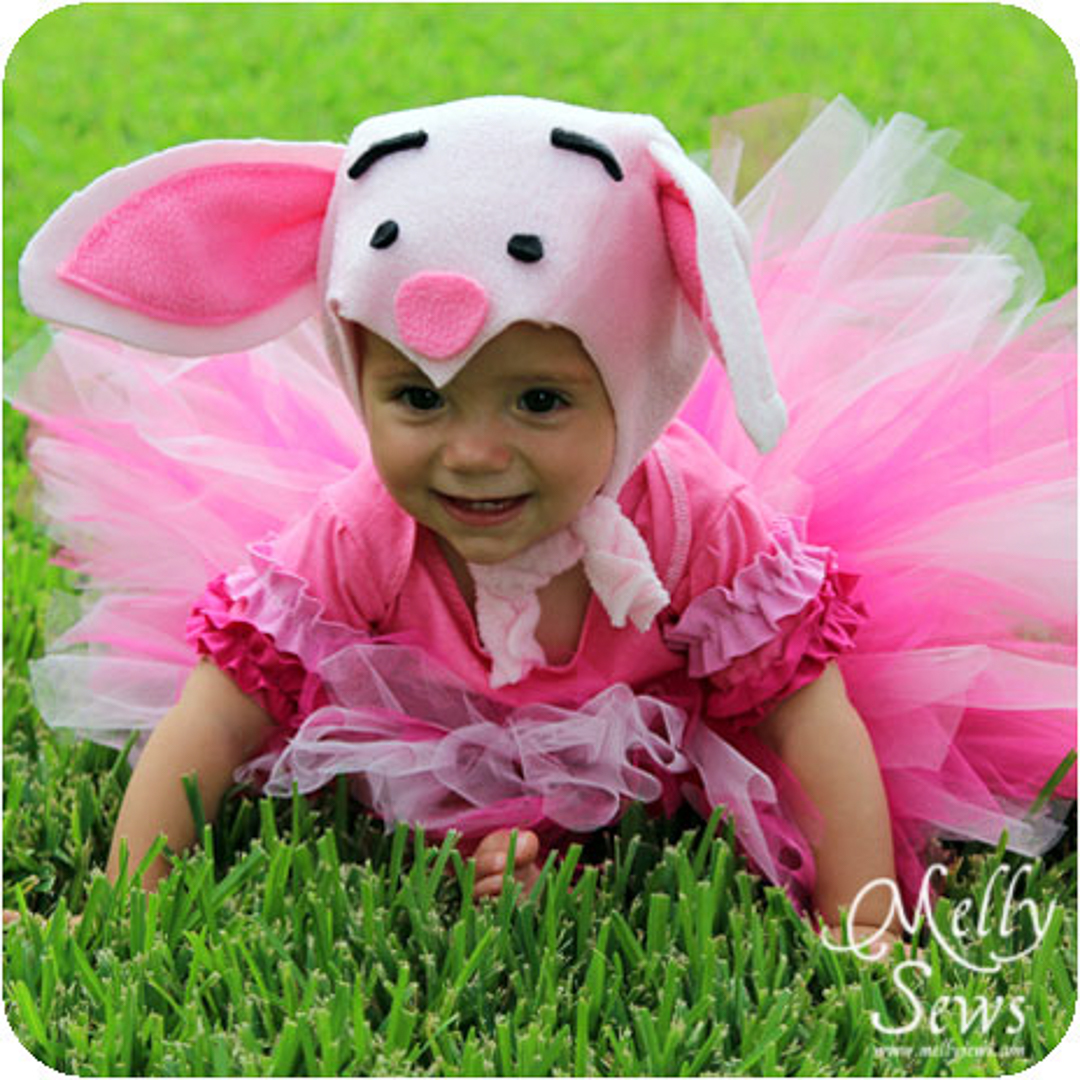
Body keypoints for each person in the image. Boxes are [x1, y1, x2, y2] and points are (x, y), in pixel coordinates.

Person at [10, 95, 1075, 944]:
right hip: (442, 727)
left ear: (630, 386)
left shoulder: (701, 525)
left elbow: (810, 716)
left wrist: (863, 922)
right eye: (419, 398)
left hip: (677, 730)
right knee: (471, 837)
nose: (473, 453)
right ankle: (506, 843)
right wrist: (128, 895)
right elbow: (219, 711)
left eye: (540, 400)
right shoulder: (361, 529)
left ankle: (554, 838)